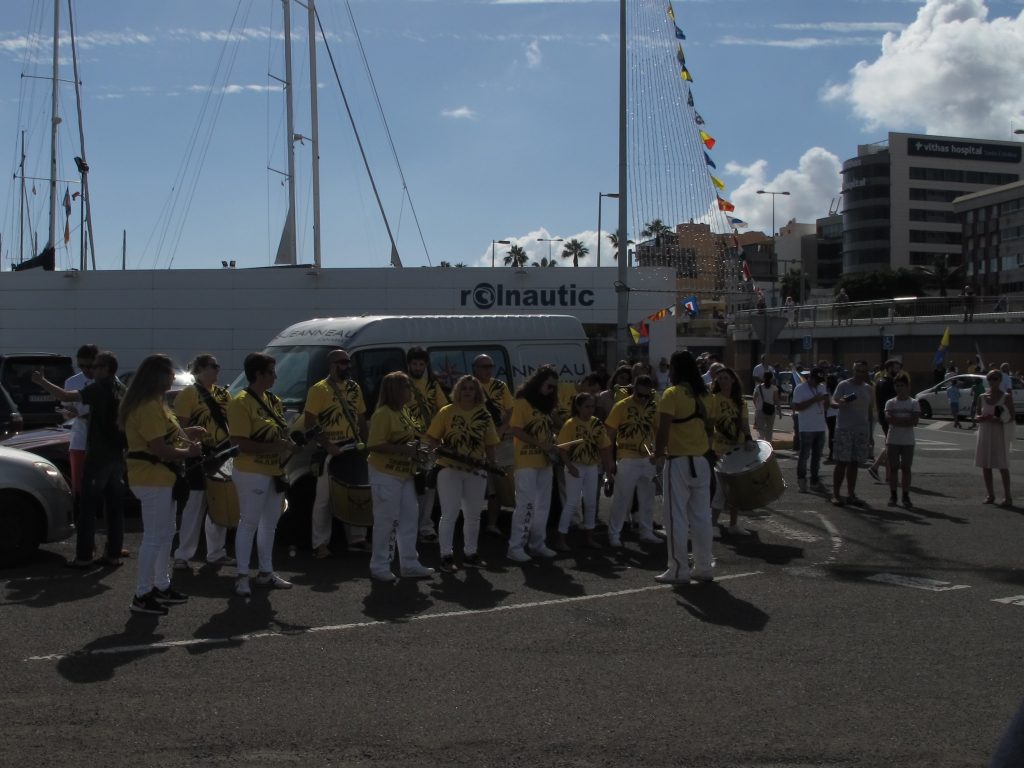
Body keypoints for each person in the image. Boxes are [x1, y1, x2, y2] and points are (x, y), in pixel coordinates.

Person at [121, 354, 204, 615]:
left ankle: (160, 585)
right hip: (151, 477)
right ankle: (142, 594)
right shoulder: (146, 407)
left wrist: (187, 436)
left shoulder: (157, 405)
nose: (172, 376)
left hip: (161, 477)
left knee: (167, 533)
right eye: (169, 372)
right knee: (155, 537)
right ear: (157, 376)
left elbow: (165, 439)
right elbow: (158, 448)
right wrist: (187, 453)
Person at [33, 350, 127, 568]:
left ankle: (84, 556)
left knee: (87, 506)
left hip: (99, 455)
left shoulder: (100, 387)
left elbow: (66, 397)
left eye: (95, 366)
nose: (91, 370)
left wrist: (42, 381)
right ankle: (113, 554)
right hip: (117, 455)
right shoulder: (121, 388)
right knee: (114, 507)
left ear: (106, 369)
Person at [228, 352, 295, 597]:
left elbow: (280, 434)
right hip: (251, 471)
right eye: (271, 372)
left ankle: (266, 572)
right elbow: (239, 442)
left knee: (270, 524)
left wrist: (288, 444)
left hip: (274, 471)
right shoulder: (240, 402)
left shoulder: (274, 401)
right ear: (259, 374)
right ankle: (242, 576)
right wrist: (274, 447)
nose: (276, 376)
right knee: (249, 523)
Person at [425, 374, 500, 572]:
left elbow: (490, 444)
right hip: (449, 469)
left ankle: (470, 553)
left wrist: (492, 464)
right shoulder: (446, 411)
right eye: (464, 388)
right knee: (449, 514)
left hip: (476, 470)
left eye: (472, 388)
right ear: (458, 390)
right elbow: (432, 439)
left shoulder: (484, 414)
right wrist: (439, 451)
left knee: (473, 515)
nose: (468, 392)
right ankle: (446, 556)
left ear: (477, 392)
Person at [652, 351, 715, 584]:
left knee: (675, 517)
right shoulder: (707, 395)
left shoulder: (672, 394)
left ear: (676, 369)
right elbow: (710, 430)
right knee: (701, 517)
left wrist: (658, 455)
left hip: (678, 460)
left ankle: (678, 569)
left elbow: (663, 430)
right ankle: (704, 566)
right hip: (701, 460)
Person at [366, 371, 435, 581]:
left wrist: (423, 450)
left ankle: (409, 564)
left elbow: (413, 437)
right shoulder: (383, 413)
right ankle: (380, 566)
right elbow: (375, 444)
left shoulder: (405, 411)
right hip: (385, 473)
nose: (411, 390)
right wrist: (406, 451)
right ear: (396, 390)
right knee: (387, 521)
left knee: (409, 518)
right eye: (407, 386)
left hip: (405, 473)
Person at [302, 348, 368, 558]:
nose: (347, 366)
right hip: (330, 451)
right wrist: (328, 445)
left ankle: (357, 540)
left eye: (348, 362)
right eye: (343, 362)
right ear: (331, 365)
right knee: (324, 500)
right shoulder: (319, 390)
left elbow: (361, 419)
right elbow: (309, 424)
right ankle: (319, 544)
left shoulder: (354, 388)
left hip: (352, 448)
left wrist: (365, 444)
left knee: (357, 495)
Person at [171, 354, 235, 570]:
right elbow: (180, 428)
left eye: (217, 366)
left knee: (220, 501)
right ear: (199, 370)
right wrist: (190, 450)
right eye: (213, 366)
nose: (217, 370)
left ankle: (216, 552)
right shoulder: (188, 394)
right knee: (195, 504)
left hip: (223, 453)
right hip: (199, 454)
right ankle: (183, 554)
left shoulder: (224, 394)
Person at [505, 366, 562, 562]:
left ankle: (537, 544)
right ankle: (515, 546)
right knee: (526, 504)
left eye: (554, 387)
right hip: (526, 461)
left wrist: (552, 443)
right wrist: (541, 444)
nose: (551, 390)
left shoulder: (546, 406)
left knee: (543, 505)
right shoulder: (522, 402)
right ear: (538, 382)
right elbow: (516, 430)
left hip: (544, 462)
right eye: (548, 385)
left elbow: (547, 432)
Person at [605, 374, 661, 547]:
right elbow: (609, 436)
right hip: (627, 457)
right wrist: (610, 462)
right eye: (640, 395)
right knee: (621, 499)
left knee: (647, 499)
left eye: (647, 396)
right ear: (634, 390)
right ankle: (614, 534)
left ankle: (646, 532)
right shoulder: (621, 406)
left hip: (647, 458)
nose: (643, 399)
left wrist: (659, 454)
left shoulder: (653, 407)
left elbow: (659, 432)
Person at [553, 392, 613, 551]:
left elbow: (605, 447)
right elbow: (562, 448)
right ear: (578, 407)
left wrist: (608, 471)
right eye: (586, 406)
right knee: (572, 503)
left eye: (592, 406)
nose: (590, 410)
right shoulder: (571, 424)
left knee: (591, 502)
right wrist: (570, 466)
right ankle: (561, 539)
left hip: (592, 466)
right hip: (575, 465)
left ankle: (589, 537)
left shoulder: (597, 424)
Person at [405, 346, 449, 546]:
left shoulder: (432, 385)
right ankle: (410, 528)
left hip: (429, 442)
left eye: (421, 364)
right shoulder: (402, 383)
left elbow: (444, 410)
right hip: (408, 443)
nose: (417, 367)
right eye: (414, 364)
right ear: (409, 365)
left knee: (428, 488)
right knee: (410, 488)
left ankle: (425, 527)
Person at [709, 364, 755, 536]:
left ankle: (733, 524)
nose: (722, 381)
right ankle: (713, 524)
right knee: (721, 489)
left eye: (726, 378)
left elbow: (744, 423)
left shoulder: (740, 402)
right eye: (719, 379)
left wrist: (749, 439)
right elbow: (710, 424)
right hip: (720, 450)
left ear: (733, 380)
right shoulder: (714, 399)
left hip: (737, 448)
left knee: (736, 488)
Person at [473, 354, 515, 537]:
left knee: (500, 484)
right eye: (483, 366)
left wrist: (502, 428)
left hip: (500, 443)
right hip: (477, 444)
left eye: (490, 365)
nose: (488, 369)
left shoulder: (500, 386)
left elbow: (511, 410)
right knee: (481, 487)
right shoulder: (470, 386)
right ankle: (474, 526)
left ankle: (493, 524)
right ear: (475, 368)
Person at [830, 361, 874, 506]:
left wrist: (871, 434)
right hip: (844, 429)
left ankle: (851, 494)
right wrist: (841, 402)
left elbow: (869, 411)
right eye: (858, 371)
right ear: (853, 371)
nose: (860, 374)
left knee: (855, 463)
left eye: (863, 371)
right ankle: (836, 494)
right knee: (842, 462)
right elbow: (833, 402)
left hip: (861, 430)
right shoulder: (844, 385)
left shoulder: (868, 388)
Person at [62, 344, 98, 502]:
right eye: (81, 366)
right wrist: (69, 414)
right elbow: (66, 410)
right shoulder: (72, 382)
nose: (85, 370)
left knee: (101, 489)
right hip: (79, 441)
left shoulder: (109, 381)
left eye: (89, 366)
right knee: (79, 489)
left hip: (102, 444)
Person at [976, 369, 1014, 507]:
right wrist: (980, 417)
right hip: (985, 432)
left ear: (1000, 380)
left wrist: (999, 420)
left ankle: (1008, 496)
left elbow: (1012, 416)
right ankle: (990, 494)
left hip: (999, 433)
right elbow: (976, 414)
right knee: (986, 465)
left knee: (1002, 464)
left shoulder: (1006, 396)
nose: (992, 381)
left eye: (995, 379)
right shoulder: (982, 396)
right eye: (990, 379)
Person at [884, 372, 920, 509]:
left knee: (906, 469)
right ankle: (893, 495)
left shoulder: (914, 403)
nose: (899, 388)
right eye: (897, 385)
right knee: (893, 468)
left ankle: (905, 495)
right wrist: (905, 420)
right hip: (892, 439)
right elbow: (889, 418)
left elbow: (914, 421)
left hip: (908, 441)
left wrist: (898, 420)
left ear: (908, 386)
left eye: (902, 385)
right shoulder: (890, 402)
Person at [791, 367, 829, 494]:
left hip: (820, 426)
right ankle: (801, 480)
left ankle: (814, 481)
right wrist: (814, 400)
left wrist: (827, 401)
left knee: (817, 457)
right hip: (806, 427)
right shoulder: (800, 389)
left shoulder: (821, 387)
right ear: (810, 378)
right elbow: (797, 407)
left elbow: (825, 405)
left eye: (820, 380)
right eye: (816, 380)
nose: (818, 382)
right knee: (804, 455)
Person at [868, 359, 902, 483]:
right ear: (888, 368)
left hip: (887, 418)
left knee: (890, 445)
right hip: (889, 419)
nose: (898, 370)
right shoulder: (885, 383)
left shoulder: (884, 382)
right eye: (895, 368)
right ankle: (877, 468)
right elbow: (887, 403)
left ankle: (884, 473)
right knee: (891, 446)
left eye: (898, 368)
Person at [752, 370, 781, 443]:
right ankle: (768, 445)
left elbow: (754, 398)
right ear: (771, 378)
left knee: (760, 429)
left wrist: (757, 407)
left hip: (760, 410)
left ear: (763, 378)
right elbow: (776, 400)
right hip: (771, 410)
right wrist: (779, 411)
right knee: (769, 429)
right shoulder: (774, 388)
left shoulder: (758, 387)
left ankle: (761, 444)